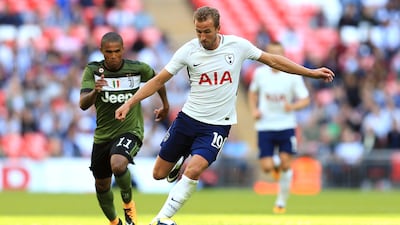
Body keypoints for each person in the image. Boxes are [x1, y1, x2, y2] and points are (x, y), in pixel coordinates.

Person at [115, 6, 334, 224]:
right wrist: (130, 102)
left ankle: (162, 219)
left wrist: (310, 72)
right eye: (198, 31)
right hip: (188, 119)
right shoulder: (188, 51)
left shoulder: (237, 46)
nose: (202, 37)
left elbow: (273, 60)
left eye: (207, 31)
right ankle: (179, 159)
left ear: (218, 28)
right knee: (158, 174)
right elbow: (158, 80)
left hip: (217, 126)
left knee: (195, 169)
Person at [79, 32, 169, 225]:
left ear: (123, 50)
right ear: (102, 51)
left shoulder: (137, 69)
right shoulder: (93, 70)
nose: (113, 56)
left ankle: (129, 205)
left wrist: (165, 105)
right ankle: (115, 222)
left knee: (118, 164)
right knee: (101, 185)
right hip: (102, 136)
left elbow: (158, 80)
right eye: (108, 52)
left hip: (130, 130)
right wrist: (95, 91)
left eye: (117, 51)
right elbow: (83, 104)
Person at [247, 41, 311, 214]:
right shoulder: (260, 74)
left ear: (284, 54)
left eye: (278, 53)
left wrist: (293, 107)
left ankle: (281, 202)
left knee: (286, 164)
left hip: (286, 125)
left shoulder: (293, 75)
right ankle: (275, 166)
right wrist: (254, 110)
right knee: (267, 167)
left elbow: (305, 99)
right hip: (265, 125)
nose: (275, 56)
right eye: (271, 53)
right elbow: (252, 92)